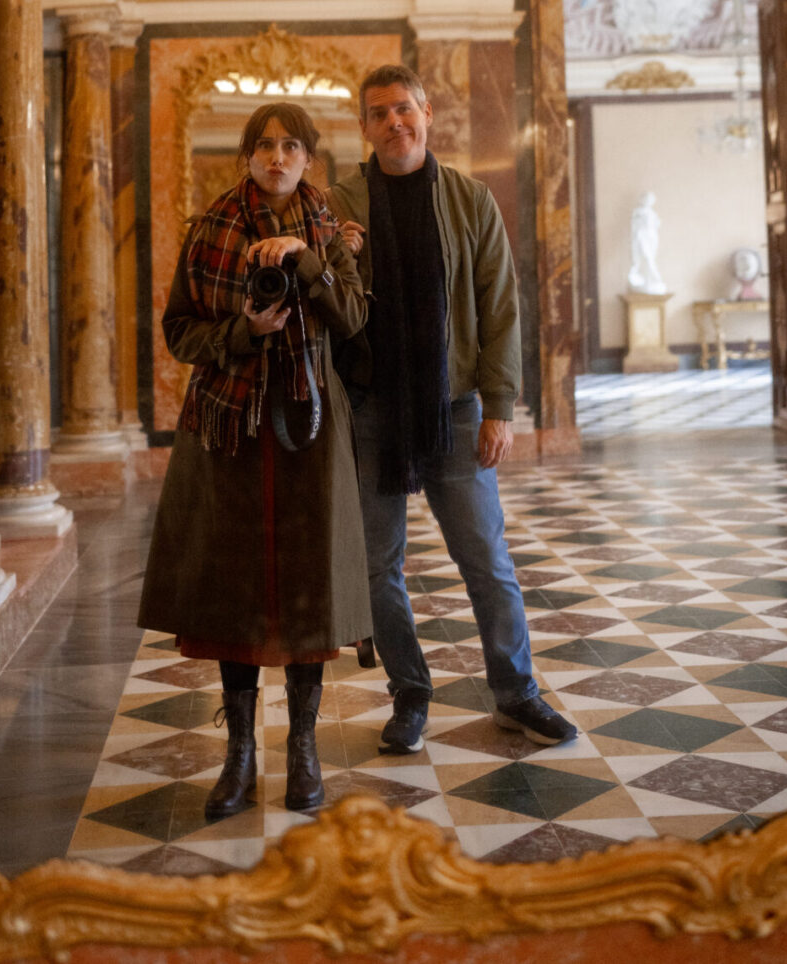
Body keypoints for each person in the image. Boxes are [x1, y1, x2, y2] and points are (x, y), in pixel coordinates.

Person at [327, 64, 577, 755]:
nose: (393, 124)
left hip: (457, 407)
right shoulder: (341, 202)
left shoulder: (468, 197)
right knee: (379, 567)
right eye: (378, 114)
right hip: (373, 413)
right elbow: (326, 309)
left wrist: (501, 406)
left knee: (486, 559)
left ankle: (517, 693)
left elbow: (501, 306)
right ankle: (410, 693)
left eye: (404, 109)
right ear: (364, 127)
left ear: (427, 113)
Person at [138, 103, 371, 819]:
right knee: (234, 587)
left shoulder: (328, 231)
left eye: (291, 147)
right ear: (247, 155)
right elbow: (180, 330)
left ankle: (302, 749)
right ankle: (239, 753)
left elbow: (354, 319)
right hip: (226, 432)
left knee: (307, 582)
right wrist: (243, 331)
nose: (277, 158)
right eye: (264, 146)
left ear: (309, 159)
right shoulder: (210, 228)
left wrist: (303, 262)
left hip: (309, 426)